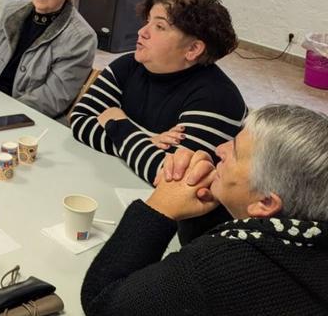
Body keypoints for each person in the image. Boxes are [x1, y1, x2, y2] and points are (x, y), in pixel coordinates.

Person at [81, 105, 328, 315]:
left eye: (236, 152)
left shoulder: (232, 262)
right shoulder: (303, 239)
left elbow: (102, 303)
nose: (220, 149)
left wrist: (159, 209)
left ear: (265, 203)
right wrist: (208, 206)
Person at [69, 0, 246, 243]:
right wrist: (148, 140)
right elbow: (81, 120)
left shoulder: (219, 97)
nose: (142, 32)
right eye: (148, 21)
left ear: (193, 49)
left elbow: (173, 180)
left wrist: (118, 123)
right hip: (108, 191)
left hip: (175, 232)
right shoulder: (128, 65)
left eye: (160, 27)